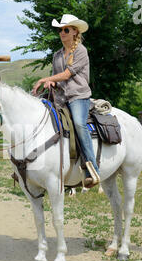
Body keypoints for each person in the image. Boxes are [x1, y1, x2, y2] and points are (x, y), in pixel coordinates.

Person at [32, 14, 99, 188]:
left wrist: (44, 78)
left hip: (78, 96)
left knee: (78, 123)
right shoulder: (57, 55)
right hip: (61, 97)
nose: (62, 32)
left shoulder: (81, 51)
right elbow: (59, 78)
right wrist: (51, 82)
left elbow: (68, 74)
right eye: (60, 30)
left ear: (75, 32)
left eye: (66, 29)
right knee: (41, 116)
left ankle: (91, 168)